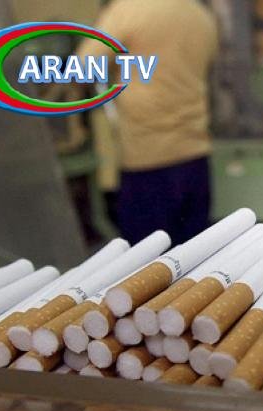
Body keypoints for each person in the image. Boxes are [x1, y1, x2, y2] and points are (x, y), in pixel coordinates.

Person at [77, 0, 219, 245]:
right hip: (195, 157)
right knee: (194, 256)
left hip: (148, 161)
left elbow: (82, 68)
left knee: (146, 261)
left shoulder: (129, 10)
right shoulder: (199, 14)